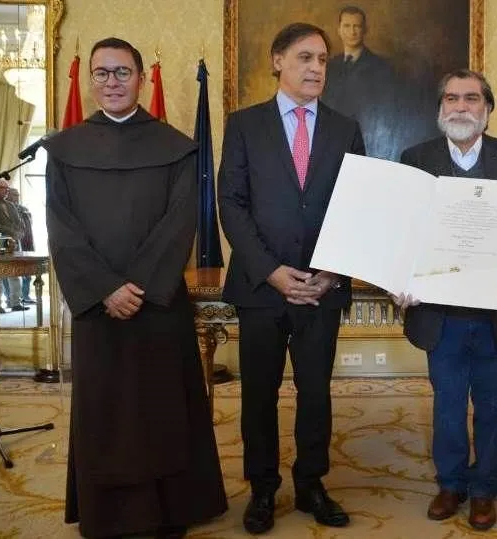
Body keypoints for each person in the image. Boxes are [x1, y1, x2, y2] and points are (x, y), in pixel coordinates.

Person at [43, 37, 227, 539]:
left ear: (141, 79)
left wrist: (139, 285)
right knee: (106, 413)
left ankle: (169, 511)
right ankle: (108, 515)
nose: (111, 82)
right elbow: (61, 228)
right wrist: (105, 288)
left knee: (161, 409)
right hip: (97, 310)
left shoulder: (174, 146)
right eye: (101, 73)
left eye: (122, 72)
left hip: (157, 305)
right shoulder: (64, 149)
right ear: (90, 81)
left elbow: (179, 222)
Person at [218, 22, 365, 534]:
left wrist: (331, 270)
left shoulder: (346, 128)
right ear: (278, 61)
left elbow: (356, 205)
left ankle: (310, 484)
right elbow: (231, 204)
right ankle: (262, 489)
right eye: (305, 57)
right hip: (262, 287)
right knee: (258, 392)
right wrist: (271, 271)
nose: (316, 68)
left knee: (316, 392)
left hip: (322, 287)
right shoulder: (243, 124)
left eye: (323, 60)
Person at [392, 68, 497, 531]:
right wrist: (399, 276)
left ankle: (484, 489)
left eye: (471, 99)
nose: (460, 107)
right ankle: (451, 484)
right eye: (451, 99)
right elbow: (401, 228)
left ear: (488, 109)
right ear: (440, 109)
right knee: (446, 407)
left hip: (496, 312)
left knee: (494, 405)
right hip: (440, 314)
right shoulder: (415, 158)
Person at [322, 5, 397, 159]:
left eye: (357, 26)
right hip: (329, 144)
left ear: (365, 30)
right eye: (347, 26)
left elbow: (385, 113)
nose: (352, 32)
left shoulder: (381, 67)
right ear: (339, 30)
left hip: (364, 145)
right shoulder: (329, 66)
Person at [0, 179, 27, 312]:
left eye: (7, 188)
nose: (6, 190)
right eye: (3, 188)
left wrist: (16, 236)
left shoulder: (11, 205)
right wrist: (2, 240)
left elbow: (20, 224)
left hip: (13, 242)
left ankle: (15, 302)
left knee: (15, 272)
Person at [8, 187, 36, 304]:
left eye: (18, 195)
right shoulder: (7, 208)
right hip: (13, 243)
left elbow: (29, 224)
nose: (17, 197)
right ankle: (12, 298)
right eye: (14, 194)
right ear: (8, 195)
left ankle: (25, 295)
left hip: (26, 242)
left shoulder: (23, 209)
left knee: (27, 272)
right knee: (11, 273)